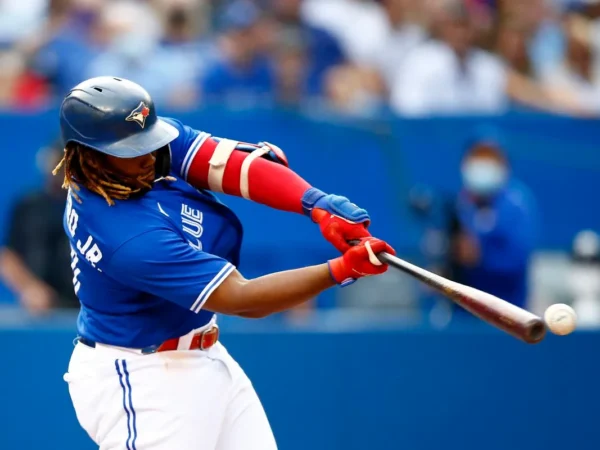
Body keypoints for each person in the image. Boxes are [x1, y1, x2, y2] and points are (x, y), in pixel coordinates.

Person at [58, 76, 395, 450]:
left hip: (201, 357)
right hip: (144, 378)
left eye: (147, 142)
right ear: (88, 155)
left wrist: (316, 203)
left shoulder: (133, 158)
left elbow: (228, 166)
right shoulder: (124, 234)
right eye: (131, 149)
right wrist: (342, 269)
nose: (148, 156)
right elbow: (241, 298)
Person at [450, 130, 537, 311]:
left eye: (490, 158)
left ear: (504, 164)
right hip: (463, 310)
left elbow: (517, 259)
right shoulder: (461, 202)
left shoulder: (516, 204)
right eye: (477, 157)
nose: (482, 165)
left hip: (508, 310)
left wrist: (480, 258)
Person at [0, 140, 78, 313]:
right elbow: (8, 257)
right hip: (42, 311)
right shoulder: (29, 205)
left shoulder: (94, 207)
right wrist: (29, 287)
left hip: (88, 309)